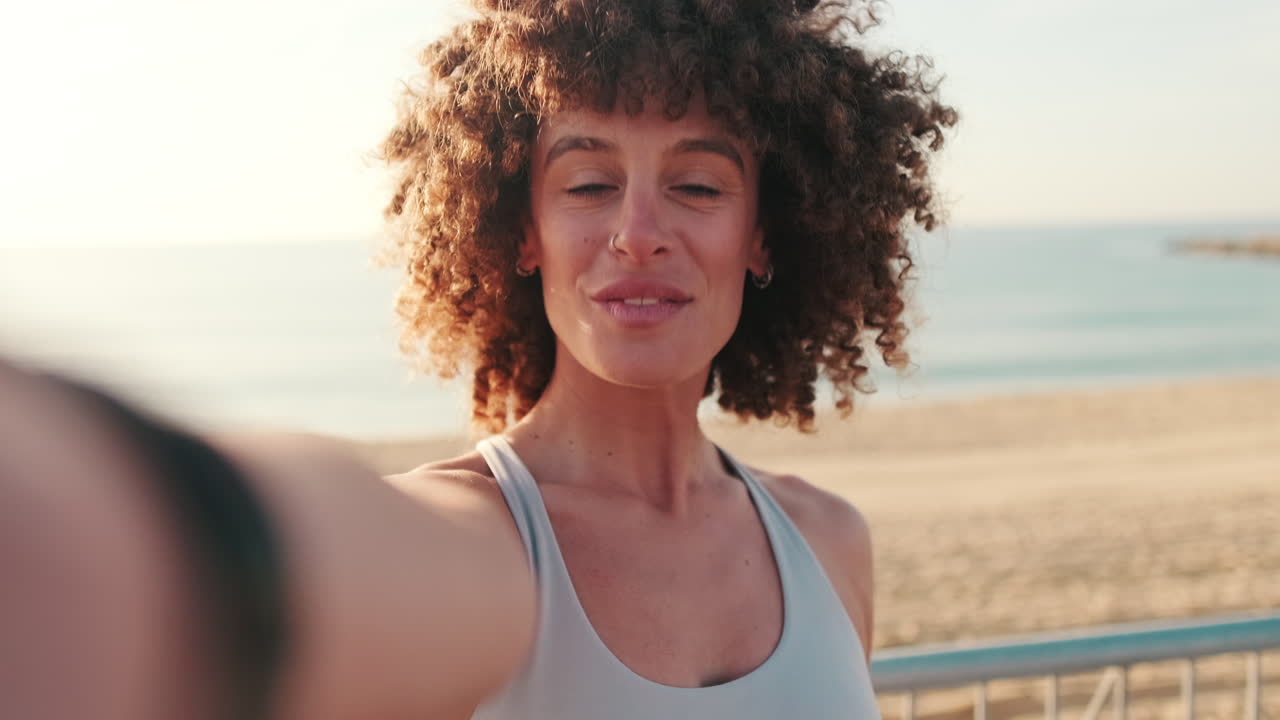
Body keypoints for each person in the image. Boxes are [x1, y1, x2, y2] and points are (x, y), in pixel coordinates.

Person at [378, 0, 955, 718]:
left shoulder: (831, 541)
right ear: (524, 230)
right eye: (589, 185)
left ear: (763, 235)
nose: (638, 234)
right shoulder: (442, 543)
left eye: (698, 186)